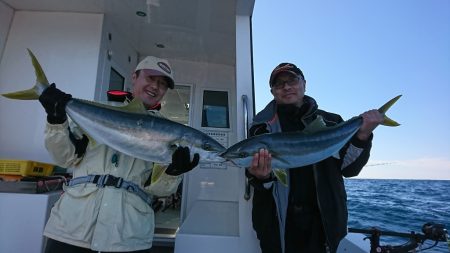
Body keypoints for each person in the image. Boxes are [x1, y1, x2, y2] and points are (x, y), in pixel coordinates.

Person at [39, 56, 199, 253]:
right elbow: (64, 158)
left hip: (127, 236)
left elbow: (159, 191)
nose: (156, 87)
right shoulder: (98, 112)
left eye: (163, 84)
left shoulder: (168, 131)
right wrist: (56, 120)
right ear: (134, 77)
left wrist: (172, 172)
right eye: (150, 78)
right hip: (72, 228)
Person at [246, 63, 384, 253]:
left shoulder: (331, 122)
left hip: (323, 222)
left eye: (292, 80)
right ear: (272, 91)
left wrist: (362, 136)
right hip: (277, 221)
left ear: (304, 83)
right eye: (279, 84)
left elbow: (349, 169)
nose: (286, 87)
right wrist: (261, 177)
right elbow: (256, 178)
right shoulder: (261, 128)